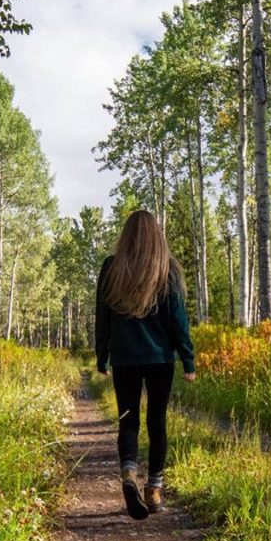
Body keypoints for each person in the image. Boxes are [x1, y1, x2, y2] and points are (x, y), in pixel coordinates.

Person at [95, 210, 196, 520]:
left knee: (128, 420)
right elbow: (178, 321)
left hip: (125, 358)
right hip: (159, 359)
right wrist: (188, 358)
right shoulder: (167, 270)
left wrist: (102, 356)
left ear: (126, 235)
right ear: (157, 235)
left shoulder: (111, 267)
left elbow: (102, 318)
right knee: (157, 420)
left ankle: (128, 476)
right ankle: (154, 488)